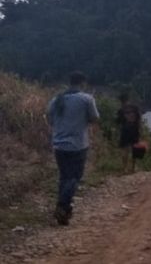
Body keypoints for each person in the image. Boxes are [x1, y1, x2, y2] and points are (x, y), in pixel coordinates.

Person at [46, 71, 99, 226]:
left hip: (59, 144)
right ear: (82, 83)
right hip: (78, 145)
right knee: (74, 177)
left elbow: (49, 117)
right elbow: (95, 118)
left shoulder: (56, 99)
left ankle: (65, 211)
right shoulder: (86, 99)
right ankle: (62, 206)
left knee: (64, 177)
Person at [115, 93, 141, 174]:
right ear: (128, 99)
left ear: (121, 101)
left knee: (125, 150)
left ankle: (124, 168)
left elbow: (118, 122)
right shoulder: (135, 107)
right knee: (135, 149)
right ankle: (133, 168)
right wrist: (140, 130)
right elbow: (139, 119)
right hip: (135, 130)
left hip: (125, 131)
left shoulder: (121, 110)